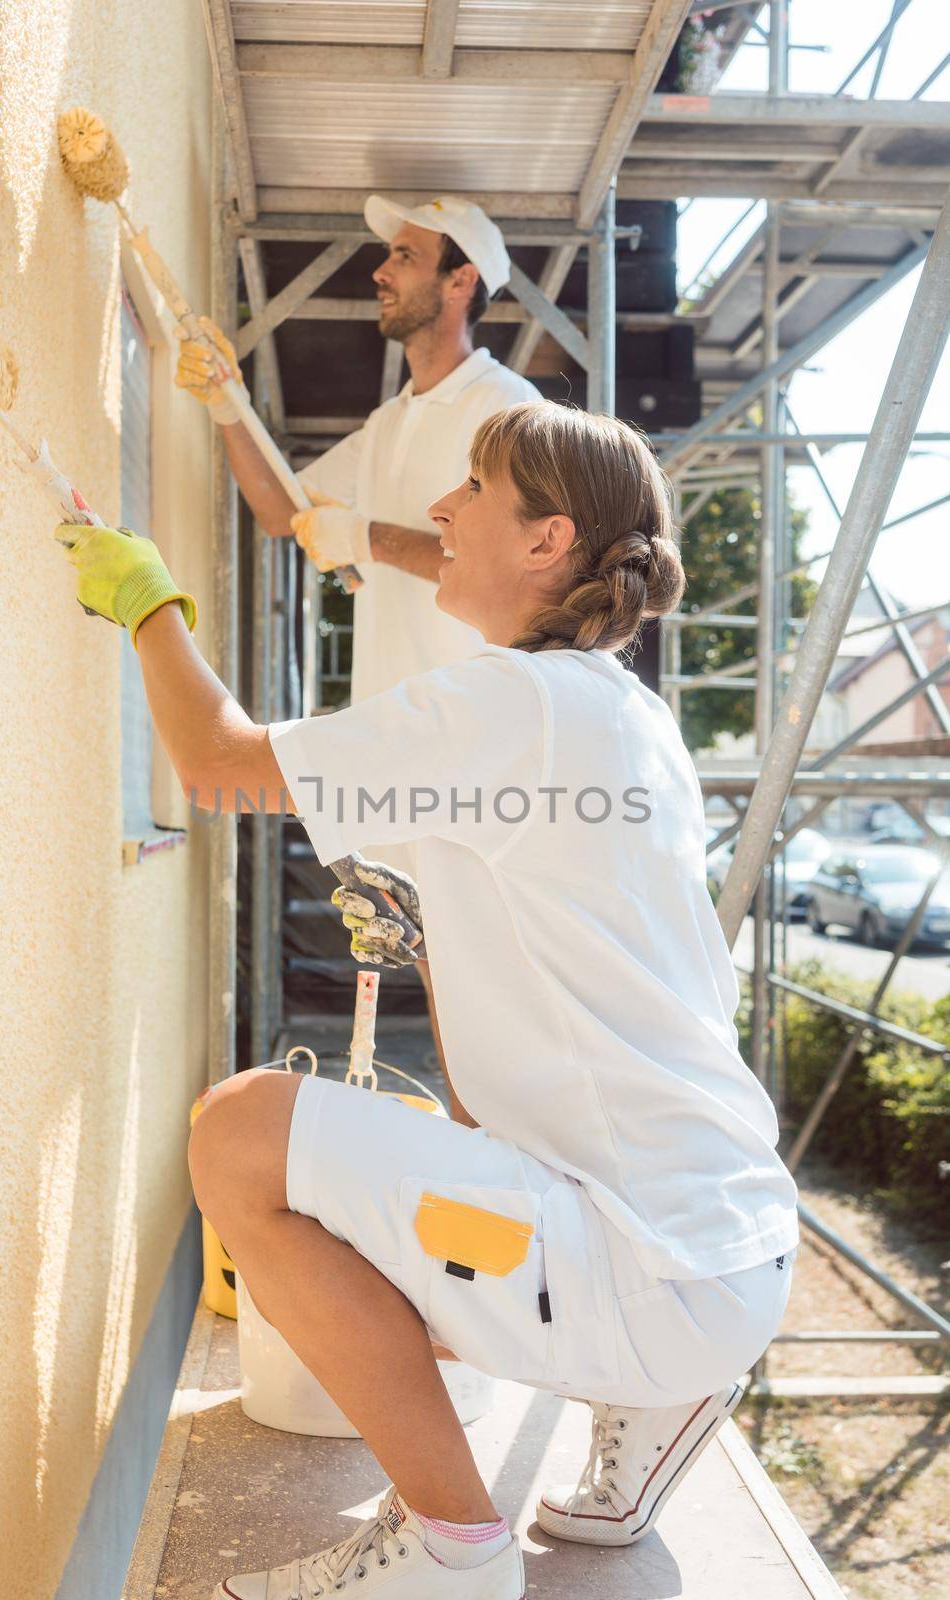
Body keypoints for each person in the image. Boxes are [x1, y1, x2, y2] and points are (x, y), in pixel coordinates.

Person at [54, 400, 800, 1600]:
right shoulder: (626, 716)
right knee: (379, 1184)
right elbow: (489, 1092)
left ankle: (452, 1551)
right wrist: (437, 941)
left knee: (241, 1134)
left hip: (646, 1261)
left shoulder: (506, 700)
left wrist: (147, 601)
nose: (440, 512)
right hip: (731, 1237)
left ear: (545, 539)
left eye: (470, 489)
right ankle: (661, 1384)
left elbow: (216, 767)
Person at [173, 196, 540, 1104]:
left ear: (461, 282)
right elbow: (283, 510)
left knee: (495, 987)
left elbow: (510, 566)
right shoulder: (394, 422)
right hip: (406, 741)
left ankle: (508, 1182)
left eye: (405, 256)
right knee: (455, 981)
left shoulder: (505, 411)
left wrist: (367, 539)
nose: (380, 272)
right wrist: (226, 402)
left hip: (476, 745)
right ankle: (481, 1171)